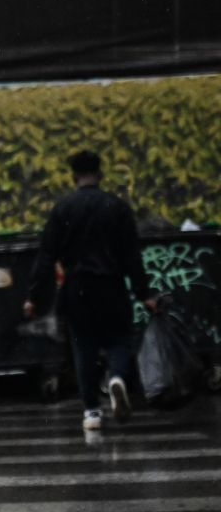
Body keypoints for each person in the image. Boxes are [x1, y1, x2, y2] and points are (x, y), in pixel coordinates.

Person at [24, 151, 156, 431]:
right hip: (111, 285)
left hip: (77, 288)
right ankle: (117, 378)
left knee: (83, 347)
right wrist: (145, 294)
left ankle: (92, 412)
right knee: (119, 340)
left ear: (74, 177)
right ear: (100, 175)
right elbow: (132, 256)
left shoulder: (63, 208)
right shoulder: (117, 207)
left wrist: (33, 297)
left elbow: (46, 256)